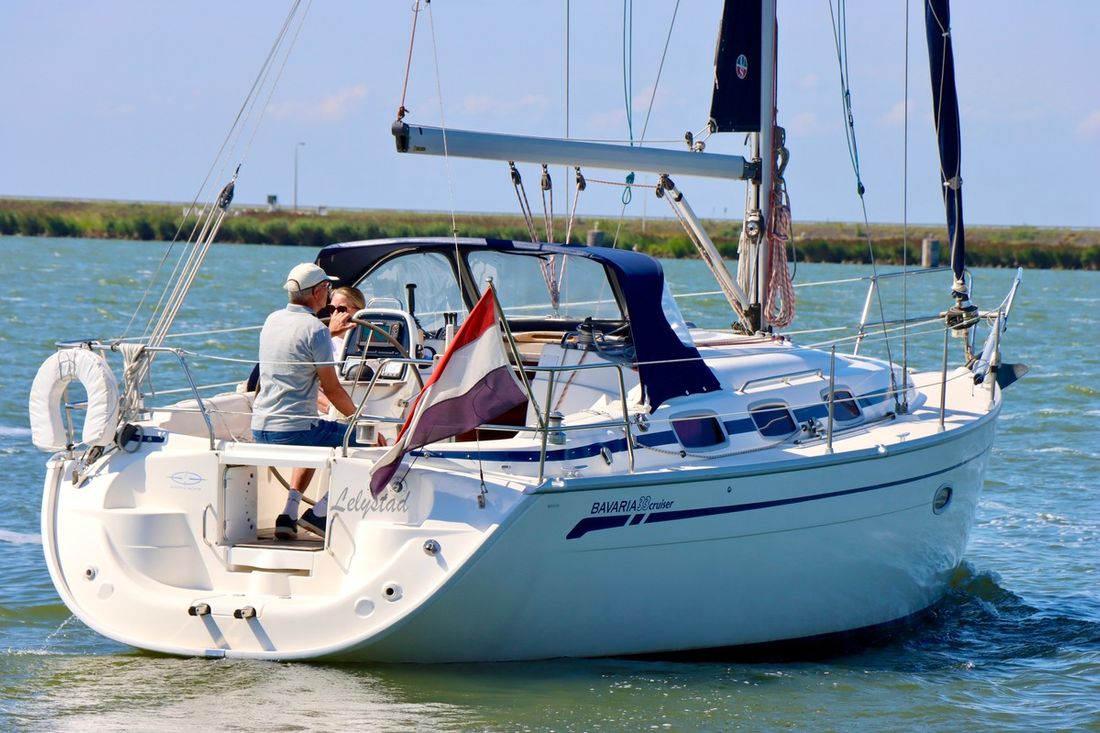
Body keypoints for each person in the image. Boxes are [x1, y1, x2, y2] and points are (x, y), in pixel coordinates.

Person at [251, 263, 360, 540]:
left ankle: (288, 514)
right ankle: (319, 513)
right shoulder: (315, 330)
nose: (328, 294)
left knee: (316, 430)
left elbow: (297, 346)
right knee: (366, 444)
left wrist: (329, 333)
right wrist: (360, 421)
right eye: (327, 288)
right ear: (318, 292)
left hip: (260, 427)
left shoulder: (272, 320)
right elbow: (333, 390)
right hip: (294, 431)